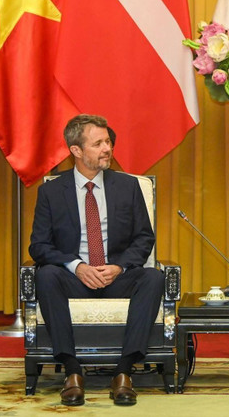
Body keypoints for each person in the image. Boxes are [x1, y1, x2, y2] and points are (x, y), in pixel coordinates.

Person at [29, 114, 163, 407]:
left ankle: (123, 372)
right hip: (75, 279)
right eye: (98, 143)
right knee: (46, 275)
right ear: (76, 150)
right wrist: (77, 266)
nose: (107, 148)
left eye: (108, 142)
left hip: (116, 277)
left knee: (153, 277)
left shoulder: (128, 186)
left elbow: (144, 238)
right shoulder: (51, 191)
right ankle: (72, 371)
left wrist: (119, 267)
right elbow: (38, 246)